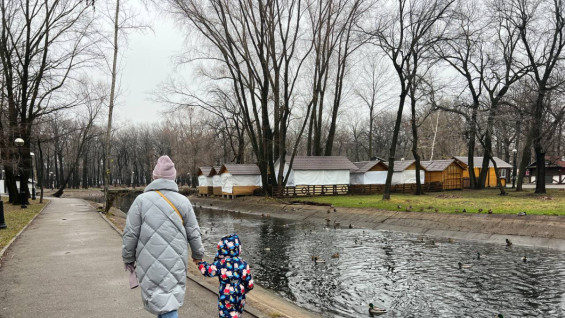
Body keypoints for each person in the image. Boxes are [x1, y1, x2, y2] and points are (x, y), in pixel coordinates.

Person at [122, 155, 205, 318]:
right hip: (176, 260)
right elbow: (194, 232)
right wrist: (198, 255)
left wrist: (128, 258)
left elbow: (130, 233)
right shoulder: (183, 202)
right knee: (168, 302)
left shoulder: (141, 201)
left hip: (149, 261)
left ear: (155, 177)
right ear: (173, 178)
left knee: (163, 304)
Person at [198, 234, 254, 318]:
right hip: (240, 293)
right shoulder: (243, 263)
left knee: (225, 313)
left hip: (226, 292)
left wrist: (201, 263)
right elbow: (250, 284)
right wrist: (243, 289)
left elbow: (207, 271)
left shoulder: (221, 263)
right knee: (237, 313)